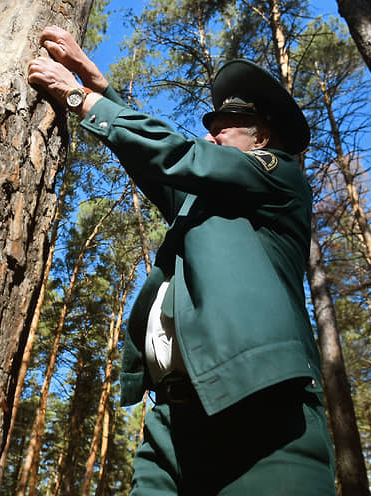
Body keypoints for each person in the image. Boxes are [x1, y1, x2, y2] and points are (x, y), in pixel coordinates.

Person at [27, 25, 335, 495]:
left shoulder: (281, 176)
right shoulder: (204, 199)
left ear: (264, 137)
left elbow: (181, 156)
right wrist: (97, 84)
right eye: (208, 127)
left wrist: (77, 99)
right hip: (171, 420)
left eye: (224, 125)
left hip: (263, 411)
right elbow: (157, 160)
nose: (211, 134)